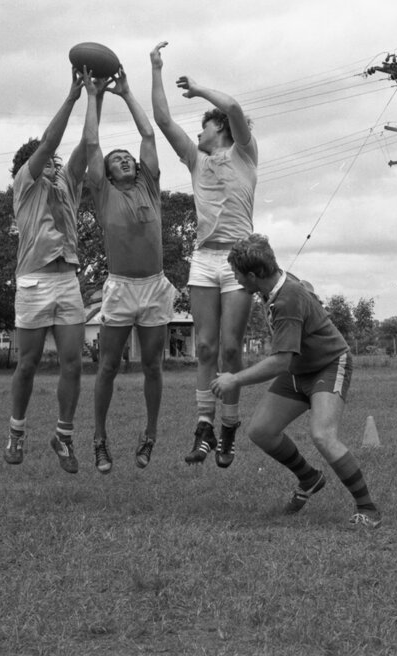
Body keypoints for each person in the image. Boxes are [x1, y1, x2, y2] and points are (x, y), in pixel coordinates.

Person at [210, 234, 382, 528]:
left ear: (254, 275)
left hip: (328, 364)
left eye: (238, 273)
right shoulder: (273, 284)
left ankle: (368, 508)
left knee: (323, 435)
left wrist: (234, 379)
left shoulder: (287, 299)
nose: (235, 278)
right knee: (262, 431)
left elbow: (281, 361)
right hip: (299, 368)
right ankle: (309, 478)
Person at [151, 42, 258, 469]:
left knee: (232, 350)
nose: (198, 132)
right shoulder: (196, 161)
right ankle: (204, 428)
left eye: (204, 126)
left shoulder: (245, 154)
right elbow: (162, 119)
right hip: (204, 260)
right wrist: (156, 69)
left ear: (222, 130)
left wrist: (198, 90)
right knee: (206, 346)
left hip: (237, 260)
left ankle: (229, 428)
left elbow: (232, 105)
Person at [82, 68, 176, 474]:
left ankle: (150, 435)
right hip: (121, 288)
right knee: (109, 365)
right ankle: (100, 440)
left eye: (127, 158)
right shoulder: (103, 194)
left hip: (154, 287)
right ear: (105, 173)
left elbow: (150, 136)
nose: (123, 159)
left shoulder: (148, 186)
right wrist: (92, 96)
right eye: (115, 160)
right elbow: (91, 142)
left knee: (153, 366)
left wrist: (126, 92)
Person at [3, 69, 89, 473]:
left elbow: (87, 144)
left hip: (67, 279)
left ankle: (63, 436)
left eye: (57, 162)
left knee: (73, 362)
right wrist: (72, 97)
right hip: (34, 280)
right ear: (31, 166)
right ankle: (17, 432)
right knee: (29, 363)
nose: (55, 163)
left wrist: (96, 96)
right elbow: (51, 141)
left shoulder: (68, 186)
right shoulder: (25, 184)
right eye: (48, 161)